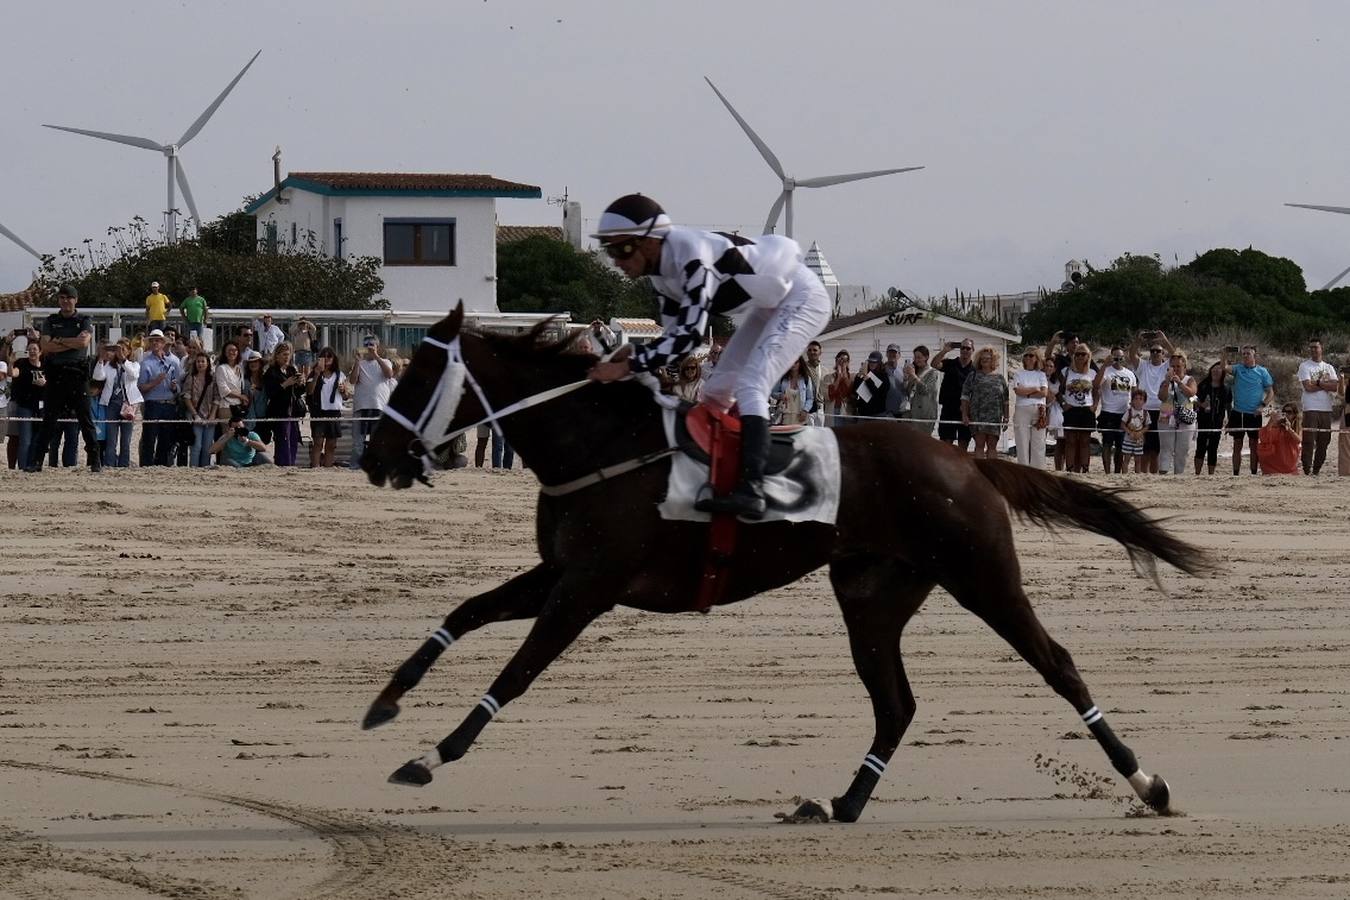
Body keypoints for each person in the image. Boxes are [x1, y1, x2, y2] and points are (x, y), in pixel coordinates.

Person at [586, 194, 832, 519]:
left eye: (621, 249)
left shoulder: (691, 254)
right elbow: (678, 343)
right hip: (769, 305)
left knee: (752, 385)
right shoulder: (662, 276)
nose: (615, 260)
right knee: (715, 392)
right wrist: (636, 353)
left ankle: (752, 489)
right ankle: (710, 473)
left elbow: (688, 335)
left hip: (803, 298)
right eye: (610, 250)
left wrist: (629, 366)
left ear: (650, 241)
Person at [26, 284, 100, 472]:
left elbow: (83, 342)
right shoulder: (51, 321)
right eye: (62, 298)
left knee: (86, 420)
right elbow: (46, 346)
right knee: (49, 420)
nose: (66, 301)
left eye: (69, 298)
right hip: (57, 374)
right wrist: (70, 343)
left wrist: (58, 340)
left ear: (76, 300)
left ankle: (95, 460)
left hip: (77, 374)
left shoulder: (84, 320)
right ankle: (36, 461)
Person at [1224, 345, 1275, 476]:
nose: (1245, 356)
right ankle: (1236, 473)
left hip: (1254, 414)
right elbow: (1224, 367)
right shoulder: (1238, 369)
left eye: (1248, 354)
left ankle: (1253, 473)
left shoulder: (1262, 372)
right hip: (1238, 412)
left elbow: (1270, 392)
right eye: (1244, 354)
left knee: (1253, 444)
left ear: (1254, 356)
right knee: (1237, 444)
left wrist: (1263, 406)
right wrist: (1223, 353)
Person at [1129, 331, 1173, 475]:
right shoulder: (1143, 366)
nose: (1155, 353)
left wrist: (1165, 341)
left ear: (1162, 353)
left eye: (1158, 351)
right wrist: (1138, 341)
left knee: (1157, 448)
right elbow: (1132, 354)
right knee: (1143, 447)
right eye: (1153, 351)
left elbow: (1177, 356)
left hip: (1162, 409)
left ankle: (1154, 476)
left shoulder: (1166, 366)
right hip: (1144, 409)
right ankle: (1143, 474)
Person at [348, 335, 395, 470]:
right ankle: (355, 465)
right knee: (358, 441)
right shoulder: (360, 363)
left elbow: (389, 374)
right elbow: (352, 381)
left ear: (377, 346)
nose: (369, 347)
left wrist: (376, 356)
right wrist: (357, 361)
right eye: (366, 344)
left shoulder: (385, 361)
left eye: (372, 344)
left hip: (379, 406)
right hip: (361, 406)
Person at [137, 329, 182, 466]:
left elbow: (179, 385)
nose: (155, 343)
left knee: (166, 438)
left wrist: (175, 388)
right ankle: (147, 465)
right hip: (153, 404)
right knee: (149, 438)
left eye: (158, 340)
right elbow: (141, 387)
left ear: (163, 343)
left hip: (169, 403)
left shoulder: (174, 362)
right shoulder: (145, 363)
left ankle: (161, 465)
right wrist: (155, 382)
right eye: (153, 340)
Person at [94, 339, 141, 468]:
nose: (120, 352)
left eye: (123, 349)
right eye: (118, 350)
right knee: (111, 438)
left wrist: (123, 360)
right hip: (112, 404)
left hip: (128, 404)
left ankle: (124, 464)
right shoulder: (109, 366)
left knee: (126, 439)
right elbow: (98, 377)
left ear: (129, 351)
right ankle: (110, 464)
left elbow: (133, 375)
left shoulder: (134, 364)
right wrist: (100, 360)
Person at [1297, 339, 1338, 475]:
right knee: (1309, 440)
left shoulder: (1328, 367)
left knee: (1324, 441)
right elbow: (1308, 387)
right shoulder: (1305, 366)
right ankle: (1307, 468)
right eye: (1311, 348)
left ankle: (1317, 469)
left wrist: (1318, 382)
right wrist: (1325, 384)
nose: (1313, 350)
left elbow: (1335, 386)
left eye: (1316, 347)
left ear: (1322, 348)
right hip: (1311, 407)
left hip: (1326, 408)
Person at [1093, 345, 1136, 474]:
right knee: (1107, 443)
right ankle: (1107, 471)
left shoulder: (1130, 374)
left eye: (1120, 358)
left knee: (1120, 444)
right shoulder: (1107, 371)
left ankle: (1117, 471)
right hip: (1108, 412)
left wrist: (1133, 413)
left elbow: (1134, 394)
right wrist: (1104, 365)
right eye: (1115, 357)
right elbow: (1096, 385)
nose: (1118, 360)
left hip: (1123, 413)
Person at [961, 346, 1008, 461]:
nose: (985, 360)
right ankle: (980, 472)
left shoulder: (1000, 378)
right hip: (978, 416)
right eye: (983, 358)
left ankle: (991, 472)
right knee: (979, 445)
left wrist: (1006, 417)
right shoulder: (973, 376)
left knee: (992, 446)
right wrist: (965, 415)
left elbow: (1006, 400)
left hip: (995, 417)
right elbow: (965, 397)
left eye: (988, 358)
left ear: (993, 360)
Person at [1156, 349, 1197, 475]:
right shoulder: (1165, 382)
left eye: (1178, 366)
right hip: (1166, 418)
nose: (1176, 368)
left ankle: (1179, 475)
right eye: (1173, 366)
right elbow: (1161, 397)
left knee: (1182, 450)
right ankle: (1163, 473)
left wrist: (1179, 383)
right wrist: (1168, 382)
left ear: (1184, 365)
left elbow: (1192, 393)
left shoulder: (1190, 380)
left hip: (1184, 419)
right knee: (1165, 448)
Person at [306, 346, 348, 468]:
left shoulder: (340, 375)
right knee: (318, 442)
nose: (327, 358)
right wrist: (316, 375)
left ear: (334, 359)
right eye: (324, 356)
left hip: (334, 411)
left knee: (331, 444)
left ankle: (328, 467)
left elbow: (346, 396)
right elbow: (309, 391)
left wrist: (344, 390)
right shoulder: (314, 373)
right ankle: (315, 467)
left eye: (330, 356)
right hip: (319, 411)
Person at [1059, 344, 1098, 474]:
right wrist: (1063, 403)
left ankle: (1085, 469)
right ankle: (1069, 468)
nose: (1080, 357)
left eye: (1083, 354)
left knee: (1085, 441)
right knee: (1070, 441)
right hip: (1071, 408)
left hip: (1086, 408)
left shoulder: (1092, 372)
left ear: (1088, 356)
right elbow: (1059, 389)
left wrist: (1095, 405)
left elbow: (1097, 390)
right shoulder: (1067, 371)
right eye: (1077, 354)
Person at [264, 343, 305, 466]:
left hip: (293, 411)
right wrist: (285, 384)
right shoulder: (271, 372)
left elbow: (298, 393)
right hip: (279, 412)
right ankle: (283, 465)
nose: (287, 357)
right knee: (283, 440)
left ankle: (291, 464)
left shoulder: (291, 370)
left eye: (288, 354)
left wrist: (300, 383)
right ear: (276, 356)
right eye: (284, 354)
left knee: (293, 440)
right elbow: (271, 393)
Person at [10, 341, 45, 470]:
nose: (32, 351)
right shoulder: (22, 364)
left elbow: (53, 385)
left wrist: (45, 383)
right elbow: (12, 374)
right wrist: (11, 362)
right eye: (29, 349)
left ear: (40, 352)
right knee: (25, 439)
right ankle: (23, 467)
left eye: (35, 349)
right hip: (25, 406)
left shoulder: (46, 366)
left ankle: (33, 465)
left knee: (37, 439)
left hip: (41, 406)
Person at [935, 339, 976, 450]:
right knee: (946, 443)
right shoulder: (950, 363)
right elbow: (934, 364)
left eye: (968, 348)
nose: (965, 350)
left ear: (972, 350)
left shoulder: (975, 369)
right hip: (948, 408)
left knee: (963, 443)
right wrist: (944, 351)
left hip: (966, 410)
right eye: (963, 347)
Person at [1012, 347, 1048, 468]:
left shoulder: (1041, 375)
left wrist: (1026, 393)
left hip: (1039, 409)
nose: (1028, 358)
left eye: (1031, 356)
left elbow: (1044, 393)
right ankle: (1023, 469)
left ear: (1036, 358)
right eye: (1026, 355)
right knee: (1022, 441)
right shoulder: (1018, 373)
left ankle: (1038, 470)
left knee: (1038, 442)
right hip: (1022, 409)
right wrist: (1034, 390)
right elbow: (1018, 391)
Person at [1193, 361, 1230, 475]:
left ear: (1223, 373)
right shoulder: (1203, 385)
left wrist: (1229, 420)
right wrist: (1201, 404)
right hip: (1203, 421)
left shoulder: (1226, 389)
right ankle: (1197, 473)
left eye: (1219, 369)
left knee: (1213, 448)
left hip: (1217, 422)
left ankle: (1211, 474)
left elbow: (1228, 406)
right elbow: (1192, 399)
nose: (1216, 371)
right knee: (1200, 447)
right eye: (1214, 369)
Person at [182, 351, 217, 467]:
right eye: (198, 361)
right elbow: (186, 397)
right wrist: (195, 414)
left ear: (207, 363)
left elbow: (216, 398)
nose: (200, 364)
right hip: (195, 416)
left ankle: (205, 468)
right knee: (196, 446)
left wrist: (212, 415)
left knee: (207, 447)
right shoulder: (191, 378)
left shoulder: (212, 379)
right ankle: (194, 469)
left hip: (209, 417)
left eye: (203, 361)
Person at [209, 410, 273, 467]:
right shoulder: (227, 436)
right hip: (233, 462)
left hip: (249, 462)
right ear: (230, 428)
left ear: (244, 426)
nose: (238, 430)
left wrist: (248, 441)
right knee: (229, 462)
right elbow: (211, 450)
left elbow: (263, 448)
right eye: (236, 428)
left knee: (263, 458)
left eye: (240, 427)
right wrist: (227, 437)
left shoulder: (251, 435)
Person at [903, 345, 940, 435]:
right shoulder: (916, 371)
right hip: (913, 412)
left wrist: (914, 377)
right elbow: (908, 392)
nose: (917, 360)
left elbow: (926, 390)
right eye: (915, 357)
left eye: (919, 357)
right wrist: (906, 378)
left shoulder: (932, 372)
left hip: (925, 414)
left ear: (926, 357)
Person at [1258, 404, 1301, 475]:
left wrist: (1289, 429)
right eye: (1284, 412)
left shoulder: (1297, 427)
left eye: (1289, 412)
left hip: (1289, 465)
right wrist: (1272, 420)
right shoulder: (1277, 425)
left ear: (1294, 415)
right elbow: (1264, 438)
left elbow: (1298, 440)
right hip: (1272, 466)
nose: (1286, 414)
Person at [771, 356, 814, 425]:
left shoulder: (806, 379)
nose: (793, 364)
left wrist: (805, 410)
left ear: (800, 363)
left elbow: (810, 398)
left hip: (800, 415)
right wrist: (781, 395)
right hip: (785, 415)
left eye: (796, 362)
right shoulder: (782, 378)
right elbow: (773, 393)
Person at [240, 349, 270, 442]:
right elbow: (243, 402)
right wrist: (249, 395)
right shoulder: (244, 381)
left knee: (264, 443)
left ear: (260, 363)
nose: (253, 364)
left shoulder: (266, 380)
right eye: (251, 362)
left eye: (256, 361)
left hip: (264, 418)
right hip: (250, 419)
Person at [852, 351, 890, 418]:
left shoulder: (884, 377)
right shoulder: (864, 374)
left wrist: (867, 379)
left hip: (878, 414)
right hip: (863, 413)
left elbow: (878, 395)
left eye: (874, 362)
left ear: (879, 363)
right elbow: (855, 391)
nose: (872, 364)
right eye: (870, 361)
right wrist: (859, 375)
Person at [1120, 388, 1150, 474]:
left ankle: (1137, 475)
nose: (1138, 401)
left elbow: (1147, 425)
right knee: (1127, 458)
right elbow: (1122, 424)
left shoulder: (1145, 413)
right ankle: (1124, 475)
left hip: (1139, 440)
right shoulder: (1129, 412)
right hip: (1128, 439)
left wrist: (1141, 433)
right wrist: (1129, 432)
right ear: (1132, 400)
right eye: (1136, 399)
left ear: (1144, 401)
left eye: (1141, 399)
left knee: (1138, 459)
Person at [213, 342, 246, 420]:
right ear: (225, 353)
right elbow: (224, 391)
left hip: (238, 406)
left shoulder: (240, 368)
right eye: (229, 350)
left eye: (234, 350)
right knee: (227, 431)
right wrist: (241, 397)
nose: (232, 352)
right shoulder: (221, 368)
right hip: (226, 406)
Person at [821, 350, 854, 425]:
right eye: (839, 360)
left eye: (845, 360)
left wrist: (845, 376)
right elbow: (828, 395)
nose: (842, 363)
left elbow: (852, 392)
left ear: (848, 363)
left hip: (847, 411)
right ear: (836, 362)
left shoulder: (852, 377)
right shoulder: (828, 377)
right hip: (833, 410)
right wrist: (838, 378)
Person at [1044, 356, 1066, 471]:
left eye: (1051, 366)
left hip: (1055, 409)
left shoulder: (1057, 381)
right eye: (1046, 365)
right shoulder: (1039, 377)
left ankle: (1059, 468)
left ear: (1054, 369)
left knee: (1060, 440)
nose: (1048, 368)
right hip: (1042, 408)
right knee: (1041, 438)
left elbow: (1056, 395)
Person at [882, 344, 908, 420]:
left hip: (901, 411)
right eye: (890, 352)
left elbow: (907, 390)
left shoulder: (904, 371)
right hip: (886, 412)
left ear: (899, 355)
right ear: (886, 354)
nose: (892, 355)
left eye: (895, 353)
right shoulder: (881, 370)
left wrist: (906, 379)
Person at [803, 340, 824, 426]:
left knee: (820, 434)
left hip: (820, 407)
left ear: (820, 352)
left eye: (815, 350)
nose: (812, 352)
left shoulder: (824, 370)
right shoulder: (802, 369)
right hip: (807, 407)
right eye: (810, 350)